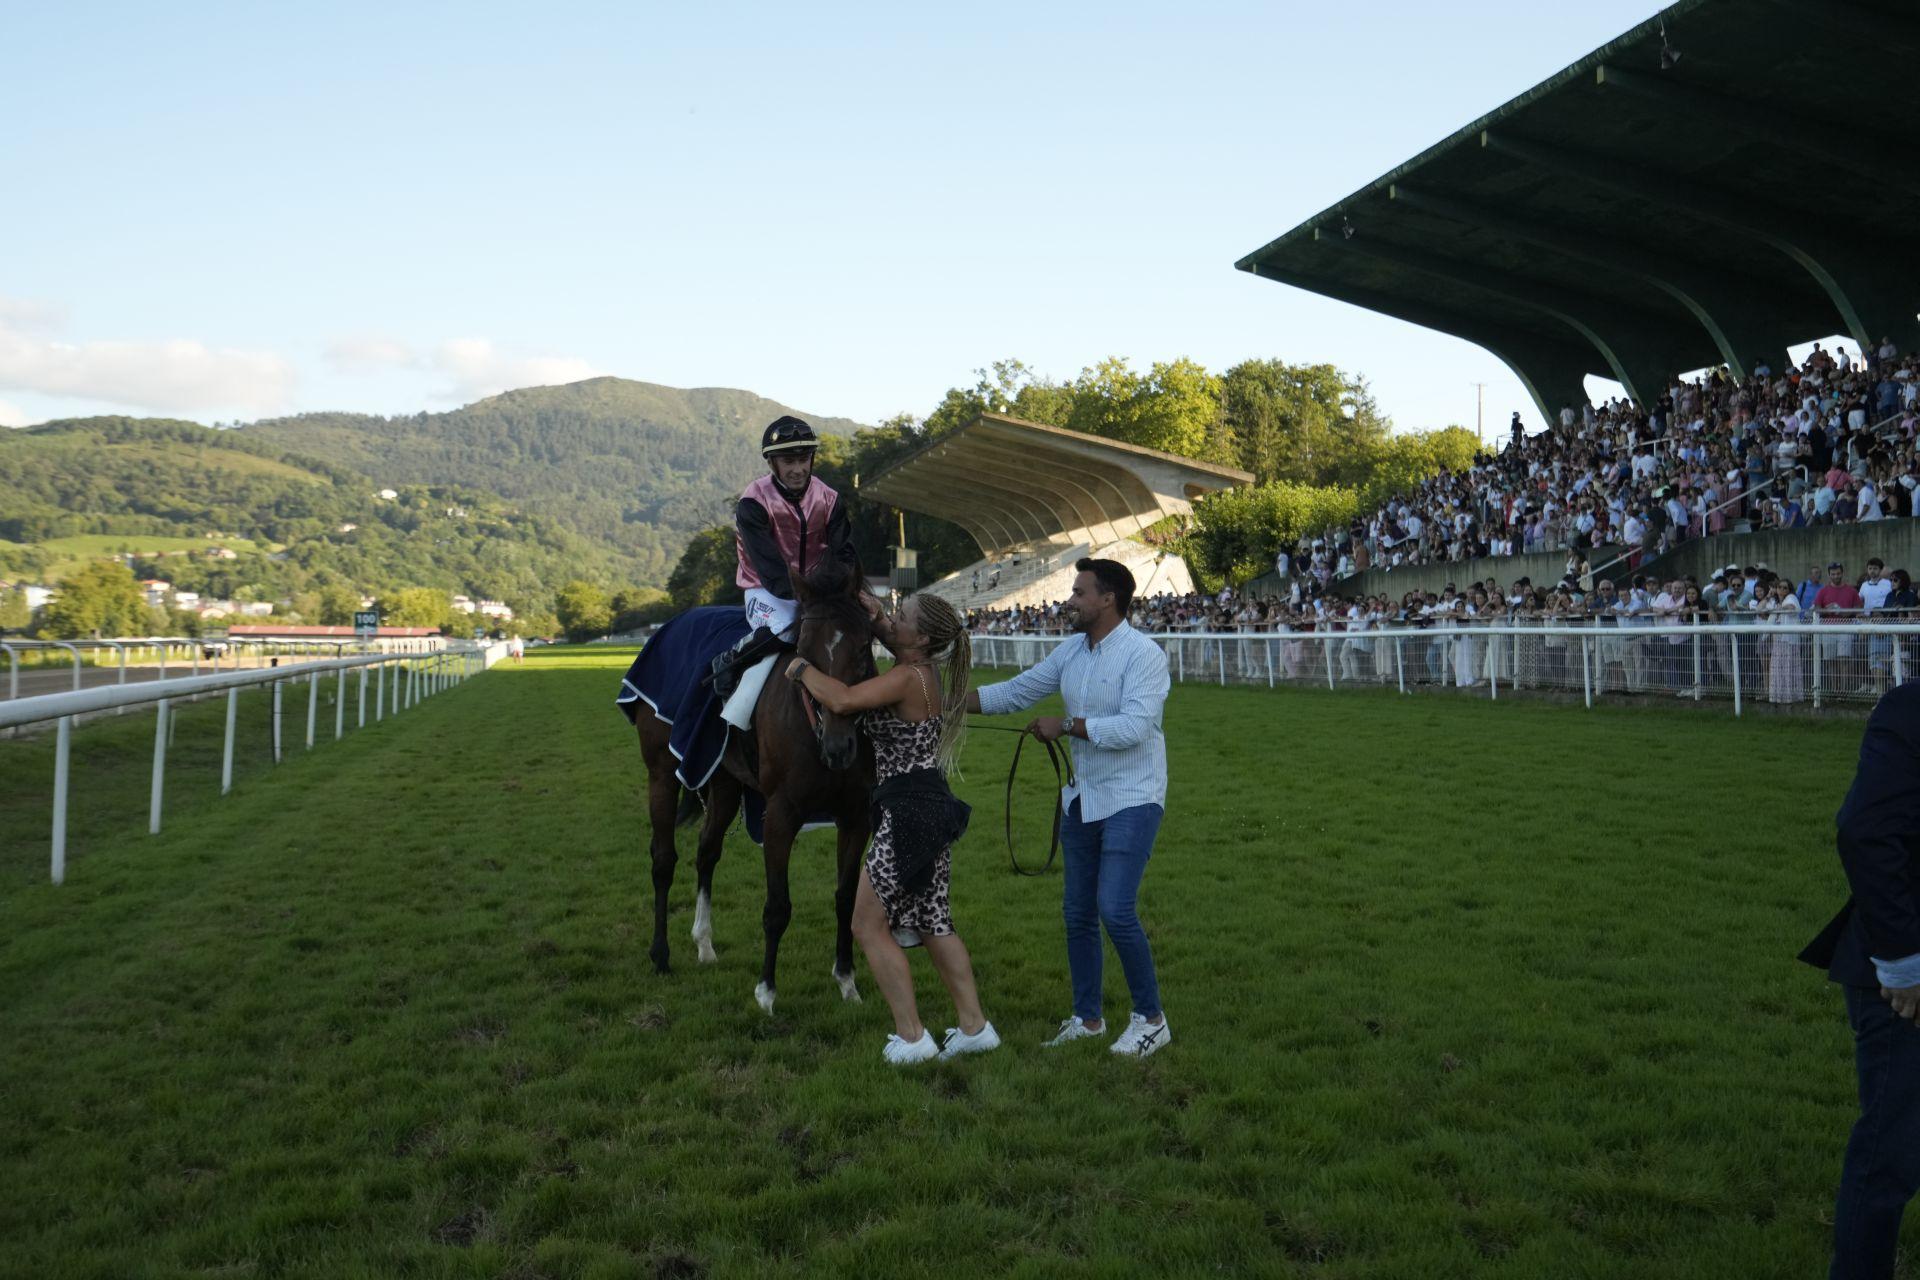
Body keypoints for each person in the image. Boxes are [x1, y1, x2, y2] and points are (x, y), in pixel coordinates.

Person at [966, 558, 1175, 1058]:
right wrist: (941, 698)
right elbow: (1017, 691)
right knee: (1077, 913)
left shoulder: (1145, 655)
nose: (1072, 600)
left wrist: (1070, 725)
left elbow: (1136, 728)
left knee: (1114, 909)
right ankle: (1088, 1020)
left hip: (1134, 796)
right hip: (1083, 797)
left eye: (1080, 592)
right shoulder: (1071, 651)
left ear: (1108, 599)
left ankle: (1152, 1019)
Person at [788, 592, 998, 1065]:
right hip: (928, 809)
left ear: (921, 638)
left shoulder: (905, 677)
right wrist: (879, 615)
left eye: (901, 618)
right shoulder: (924, 671)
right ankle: (974, 1028)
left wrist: (799, 665)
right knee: (934, 923)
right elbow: (890, 636)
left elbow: (840, 699)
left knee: (866, 924)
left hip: (907, 816)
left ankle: (912, 1037)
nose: (891, 622)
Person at [1801, 683, 1920, 1278]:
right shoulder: (1912, 707)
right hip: (1908, 977)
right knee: (1893, 1152)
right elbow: (1865, 832)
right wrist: (1903, 961)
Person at [709, 416, 864, 710]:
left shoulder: (830, 498)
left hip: (818, 590)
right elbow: (772, 571)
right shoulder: (753, 503)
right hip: (766, 589)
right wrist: (809, 597)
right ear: (772, 463)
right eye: (788, 461)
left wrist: (841, 592)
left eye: (803, 459)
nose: (797, 469)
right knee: (787, 628)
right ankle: (731, 658)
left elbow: (844, 553)